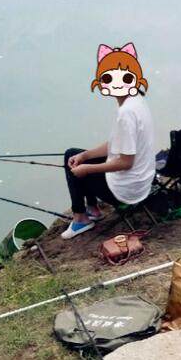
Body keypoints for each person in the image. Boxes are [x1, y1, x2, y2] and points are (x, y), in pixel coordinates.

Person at [61, 43, 155, 239]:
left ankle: (80, 218)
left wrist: (87, 169)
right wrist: (85, 156)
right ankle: (93, 209)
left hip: (128, 190)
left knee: (77, 169)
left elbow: (125, 162)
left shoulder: (127, 113)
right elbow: (115, 143)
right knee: (73, 154)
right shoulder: (136, 101)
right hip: (143, 178)